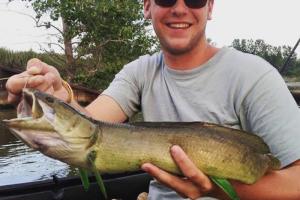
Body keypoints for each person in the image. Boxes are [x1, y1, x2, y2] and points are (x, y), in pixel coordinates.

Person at [6, 0, 300, 199]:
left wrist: (215, 189)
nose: (180, 8)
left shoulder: (253, 75)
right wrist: (59, 94)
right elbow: (90, 126)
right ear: (147, 6)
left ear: (210, 7)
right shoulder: (140, 71)